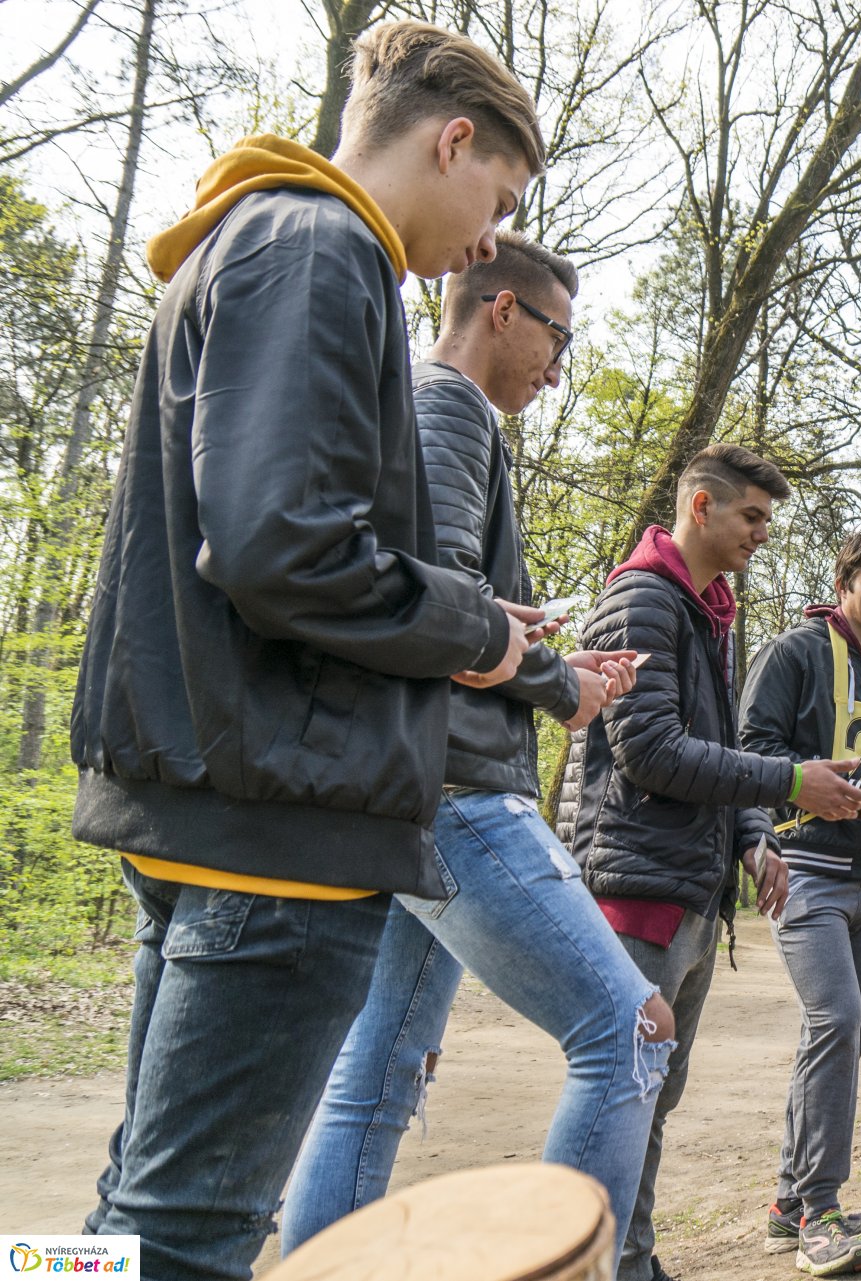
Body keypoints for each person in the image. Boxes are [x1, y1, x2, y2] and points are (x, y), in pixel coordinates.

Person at [67, 22, 545, 1279]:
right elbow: (285, 546)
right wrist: (481, 628)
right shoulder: (324, 250)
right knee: (192, 1232)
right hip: (283, 829)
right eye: (495, 197)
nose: (488, 239)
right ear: (451, 142)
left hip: (209, 806)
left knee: (135, 1208)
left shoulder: (248, 241)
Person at [280, 234, 671, 1253]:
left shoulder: (428, 408)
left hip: (416, 785)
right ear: (502, 310)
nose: (558, 364)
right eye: (557, 338)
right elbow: (443, 611)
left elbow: (435, 592)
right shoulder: (449, 404)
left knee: (380, 1070)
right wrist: (559, 686)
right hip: (457, 792)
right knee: (630, 1032)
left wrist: (547, 666)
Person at [557, 443, 861, 1281]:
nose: (763, 535)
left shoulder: (709, 609)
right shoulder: (642, 600)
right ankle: (589, 1263)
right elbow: (651, 752)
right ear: (702, 508)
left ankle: (633, 1259)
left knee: (653, 1097)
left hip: (693, 891)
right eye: (752, 517)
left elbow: (717, 750)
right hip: (636, 893)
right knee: (622, 1096)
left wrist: (755, 834)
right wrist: (794, 779)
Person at [740, 527, 861, 1276]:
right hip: (806, 872)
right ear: (844, 582)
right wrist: (845, 800)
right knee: (836, 1018)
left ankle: (790, 1202)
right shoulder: (794, 654)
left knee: (837, 1037)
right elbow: (751, 755)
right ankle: (821, 1209)